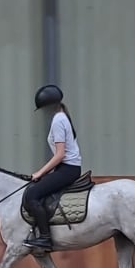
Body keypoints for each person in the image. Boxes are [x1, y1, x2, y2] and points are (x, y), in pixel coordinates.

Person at [23, 84, 83, 251]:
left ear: (48, 107)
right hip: (68, 167)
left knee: (32, 195)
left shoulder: (58, 120)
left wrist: (40, 173)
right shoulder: (63, 117)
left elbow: (60, 154)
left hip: (67, 169)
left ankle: (45, 238)